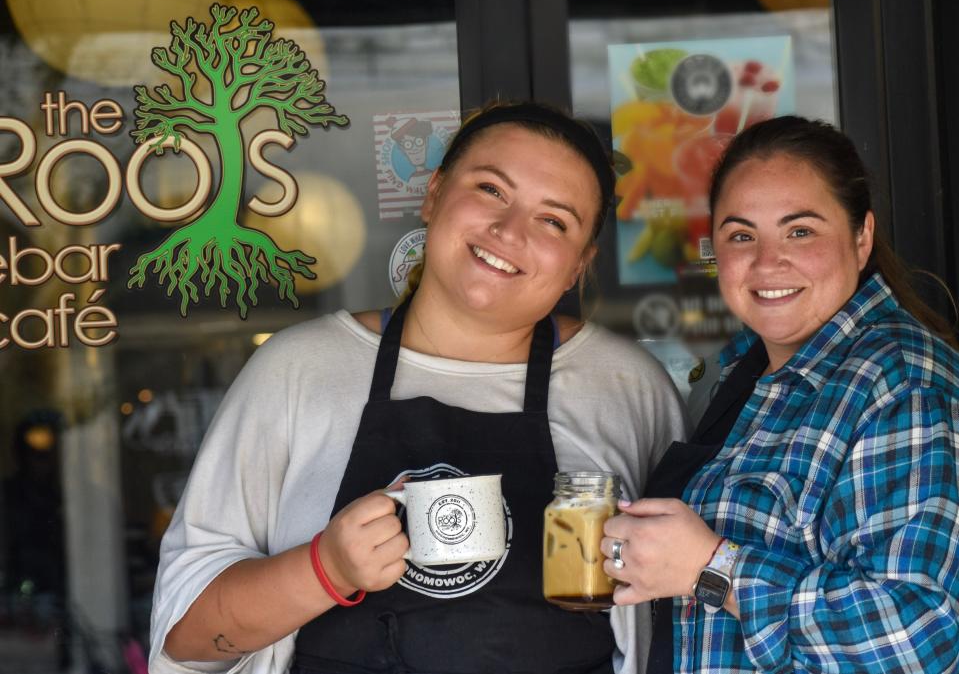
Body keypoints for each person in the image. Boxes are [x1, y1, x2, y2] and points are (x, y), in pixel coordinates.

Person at [149, 101, 688, 674]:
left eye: (554, 220)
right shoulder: (300, 370)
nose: (509, 232)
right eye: (491, 190)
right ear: (433, 194)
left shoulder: (628, 389)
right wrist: (324, 569)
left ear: (580, 264)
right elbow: (186, 639)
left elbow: (687, 623)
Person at [601, 115, 959, 673]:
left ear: (861, 237)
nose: (768, 262)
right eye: (742, 235)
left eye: (800, 231)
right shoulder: (743, 370)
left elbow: (917, 637)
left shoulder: (899, 382)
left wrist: (711, 570)